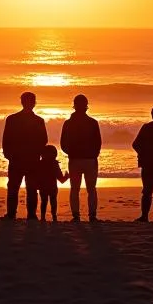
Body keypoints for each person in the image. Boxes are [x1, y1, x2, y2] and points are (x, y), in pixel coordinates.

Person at [2, 92, 48, 220]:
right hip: (28, 158)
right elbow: (44, 140)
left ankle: (13, 213)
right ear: (34, 103)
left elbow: (6, 139)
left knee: (15, 187)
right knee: (29, 188)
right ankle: (30, 215)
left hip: (19, 158)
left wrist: (8, 153)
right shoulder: (38, 121)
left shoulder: (12, 119)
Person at [60, 93, 102, 222]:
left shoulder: (68, 123)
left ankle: (77, 215)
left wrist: (71, 153)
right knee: (90, 189)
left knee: (75, 189)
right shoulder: (92, 122)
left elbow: (63, 143)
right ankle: (91, 215)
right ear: (86, 106)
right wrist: (93, 154)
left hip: (77, 160)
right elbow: (98, 142)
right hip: (88, 160)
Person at [35, 144, 68, 221]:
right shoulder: (54, 164)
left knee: (44, 201)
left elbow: (36, 176)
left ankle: (43, 217)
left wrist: (36, 185)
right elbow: (61, 180)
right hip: (52, 187)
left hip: (42, 187)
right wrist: (67, 176)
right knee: (53, 201)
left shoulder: (39, 164)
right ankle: (54, 217)